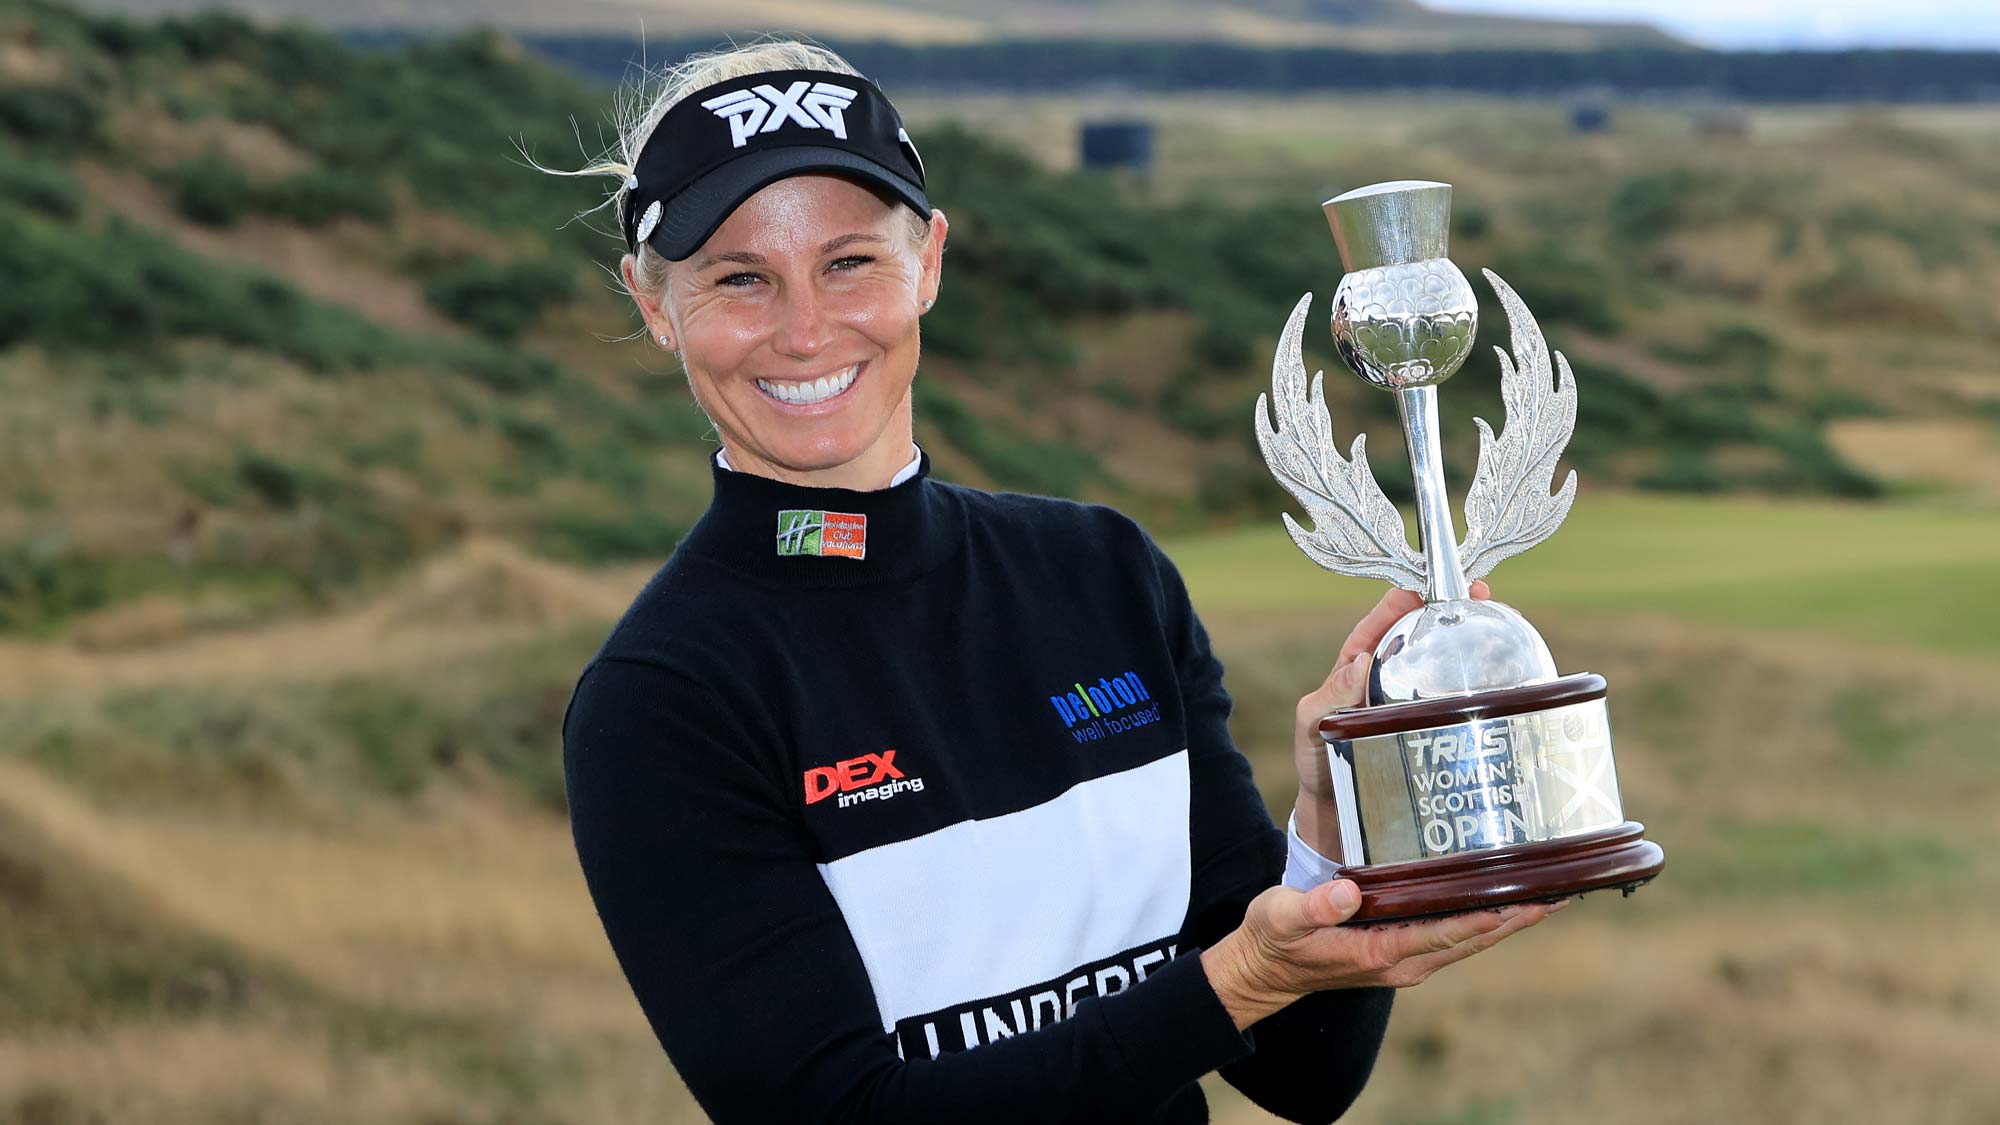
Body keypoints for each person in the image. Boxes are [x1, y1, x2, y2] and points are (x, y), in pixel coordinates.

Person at [554, 39, 1561, 1125]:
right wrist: (1236, 981)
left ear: (929, 262)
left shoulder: (1101, 574)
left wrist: (1336, 822)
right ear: (656, 307)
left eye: (849, 262)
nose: (804, 330)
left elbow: (1302, 1074)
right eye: (739, 279)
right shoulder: (662, 697)